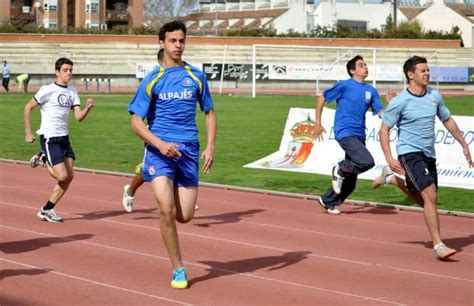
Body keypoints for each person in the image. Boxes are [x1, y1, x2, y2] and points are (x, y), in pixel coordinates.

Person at [128, 20, 216, 289]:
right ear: (162, 43)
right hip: (159, 151)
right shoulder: (152, 79)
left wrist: (210, 146)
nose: (178, 45)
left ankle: (146, 173)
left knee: (185, 216)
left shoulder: (196, 77)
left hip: (188, 151)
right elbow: (135, 122)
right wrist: (159, 143)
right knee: (165, 208)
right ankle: (178, 268)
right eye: (173, 41)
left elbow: (209, 112)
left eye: (181, 41)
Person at [377, 55, 472, 260]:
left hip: (429, 154)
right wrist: (390, 158)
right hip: (409, 153)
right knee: (430, 196)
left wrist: (464, 145)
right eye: (423, 70)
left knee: (426, 200)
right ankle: (438, 245)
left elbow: (447, 120)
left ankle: (393, 180)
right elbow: (384, 130)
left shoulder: (434, 97)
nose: (427, 73)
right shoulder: (400, 101)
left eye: (428, 70)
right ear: (411, 75)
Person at [24, 57, 95, 223]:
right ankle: (43, 157)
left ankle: (47, 209)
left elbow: (78, 117)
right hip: (49, 138)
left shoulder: (73, 92)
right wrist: (28, 133)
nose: (69, 73)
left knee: (69, 176)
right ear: (57, 72)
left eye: (70, 70)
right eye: (65, 70)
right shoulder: (47, 90)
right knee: (62, 176)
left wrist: (88, 108)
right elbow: (27, 107)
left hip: (64, 138)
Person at [314, 55, 386, 214]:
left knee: (350, 183)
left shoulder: (371, 91)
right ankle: (340, 168)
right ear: (352, 71)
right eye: (361, 65)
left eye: (365, 64)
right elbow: (322, 98)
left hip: (360, 135)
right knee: (367, 161)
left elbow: (380, 112)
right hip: (345, 131)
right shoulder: (344, 86)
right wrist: (318, 123)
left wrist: (392, 105)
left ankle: (328, 200)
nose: (365, 67)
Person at [122, 48, 164, 213]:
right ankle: (130, 190)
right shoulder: (152, 80)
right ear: (162, 61)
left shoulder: (179, 77)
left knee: (175, 161)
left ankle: (179, 195)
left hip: (175, 132)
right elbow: (138, 113)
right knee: (150, 169)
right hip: (155, 131)